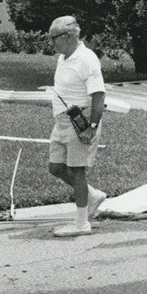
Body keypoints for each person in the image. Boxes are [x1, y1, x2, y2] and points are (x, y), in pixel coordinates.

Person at [46, 15, 107, 237]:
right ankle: (92, 197)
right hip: (61, 121)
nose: (51, 43)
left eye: (54, 38)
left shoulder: (87, 59)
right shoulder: (63, 58)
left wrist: (91, 126)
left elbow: (99, 95)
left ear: (69, 36)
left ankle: (82, 224)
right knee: (56, 167)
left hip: (79, 120)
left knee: (76, 171)